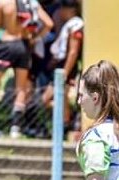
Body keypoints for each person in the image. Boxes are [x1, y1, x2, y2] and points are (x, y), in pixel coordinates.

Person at [0, 0, 52, 138]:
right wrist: (34, 38)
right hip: (24, 46)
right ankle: (16, 128)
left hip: (7, 44)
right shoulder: (32, 2)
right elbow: (49, 24)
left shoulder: (4, 2)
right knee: (21, 87)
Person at [41, 0, 83, 130]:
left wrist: (65, 72)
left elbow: (73, 52)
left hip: (65, 67)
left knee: (50, 98)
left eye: (62, 9)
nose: (60, 13)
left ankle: (67, 122)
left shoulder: (75, 25)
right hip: (60, 66)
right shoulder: (69, 25)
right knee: (60, 98)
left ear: (70, 10)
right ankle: (66, 121)